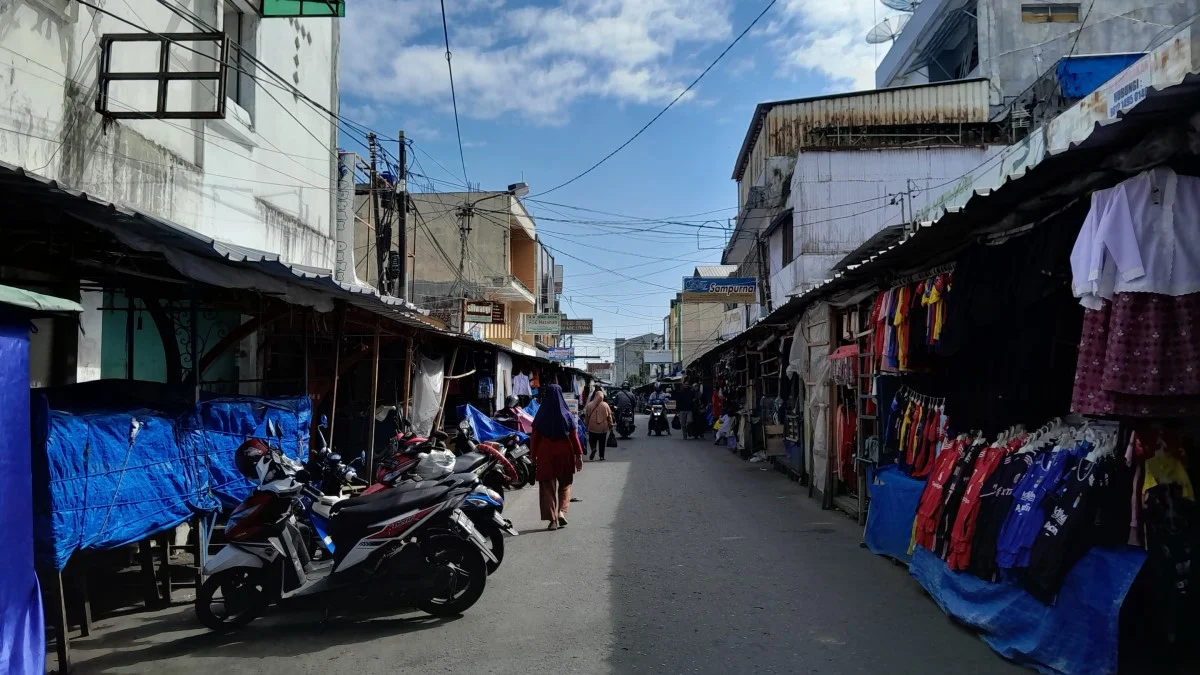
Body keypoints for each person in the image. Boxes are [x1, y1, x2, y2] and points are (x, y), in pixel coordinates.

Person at [530, 384, 584, 530]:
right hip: (565, 455)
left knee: (547, 487)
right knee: (565, 485)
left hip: (545, 456)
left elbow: (534, 439)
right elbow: (574, 437)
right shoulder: (567, 415)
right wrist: (578, 456)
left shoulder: (540, 415)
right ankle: (561, 511)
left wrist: (532, 457)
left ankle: (552, 520)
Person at [583, 388, 614, 461]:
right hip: (603, 428)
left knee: (591, 439)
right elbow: (609, 417)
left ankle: (593, 448)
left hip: (592, 427)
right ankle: (601, 456)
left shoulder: (589, 405)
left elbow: (587, 417)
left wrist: (586, 425)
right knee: (602, 442)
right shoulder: (606, 405)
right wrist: (610, 425)